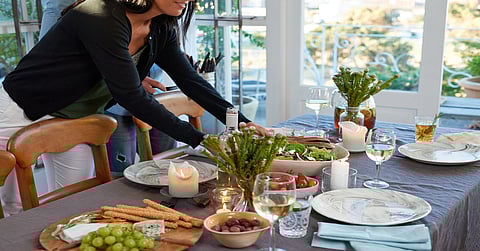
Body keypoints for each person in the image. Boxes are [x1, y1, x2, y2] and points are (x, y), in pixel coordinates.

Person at [0, 0, 268, 216]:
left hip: (73, 118)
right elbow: (131, 95)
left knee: (68, 208)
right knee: (15, 207)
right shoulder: (99, 14)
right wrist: (201, 140)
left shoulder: (160, 28)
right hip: (18, 110)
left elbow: (191, 81)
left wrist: (241, 121)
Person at [39, 0, 177, 177]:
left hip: (151, 92)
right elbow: (58, 62)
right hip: (110, 102)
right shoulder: (67, 6)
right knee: (119, 176)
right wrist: (125, 76)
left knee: (167, 171)